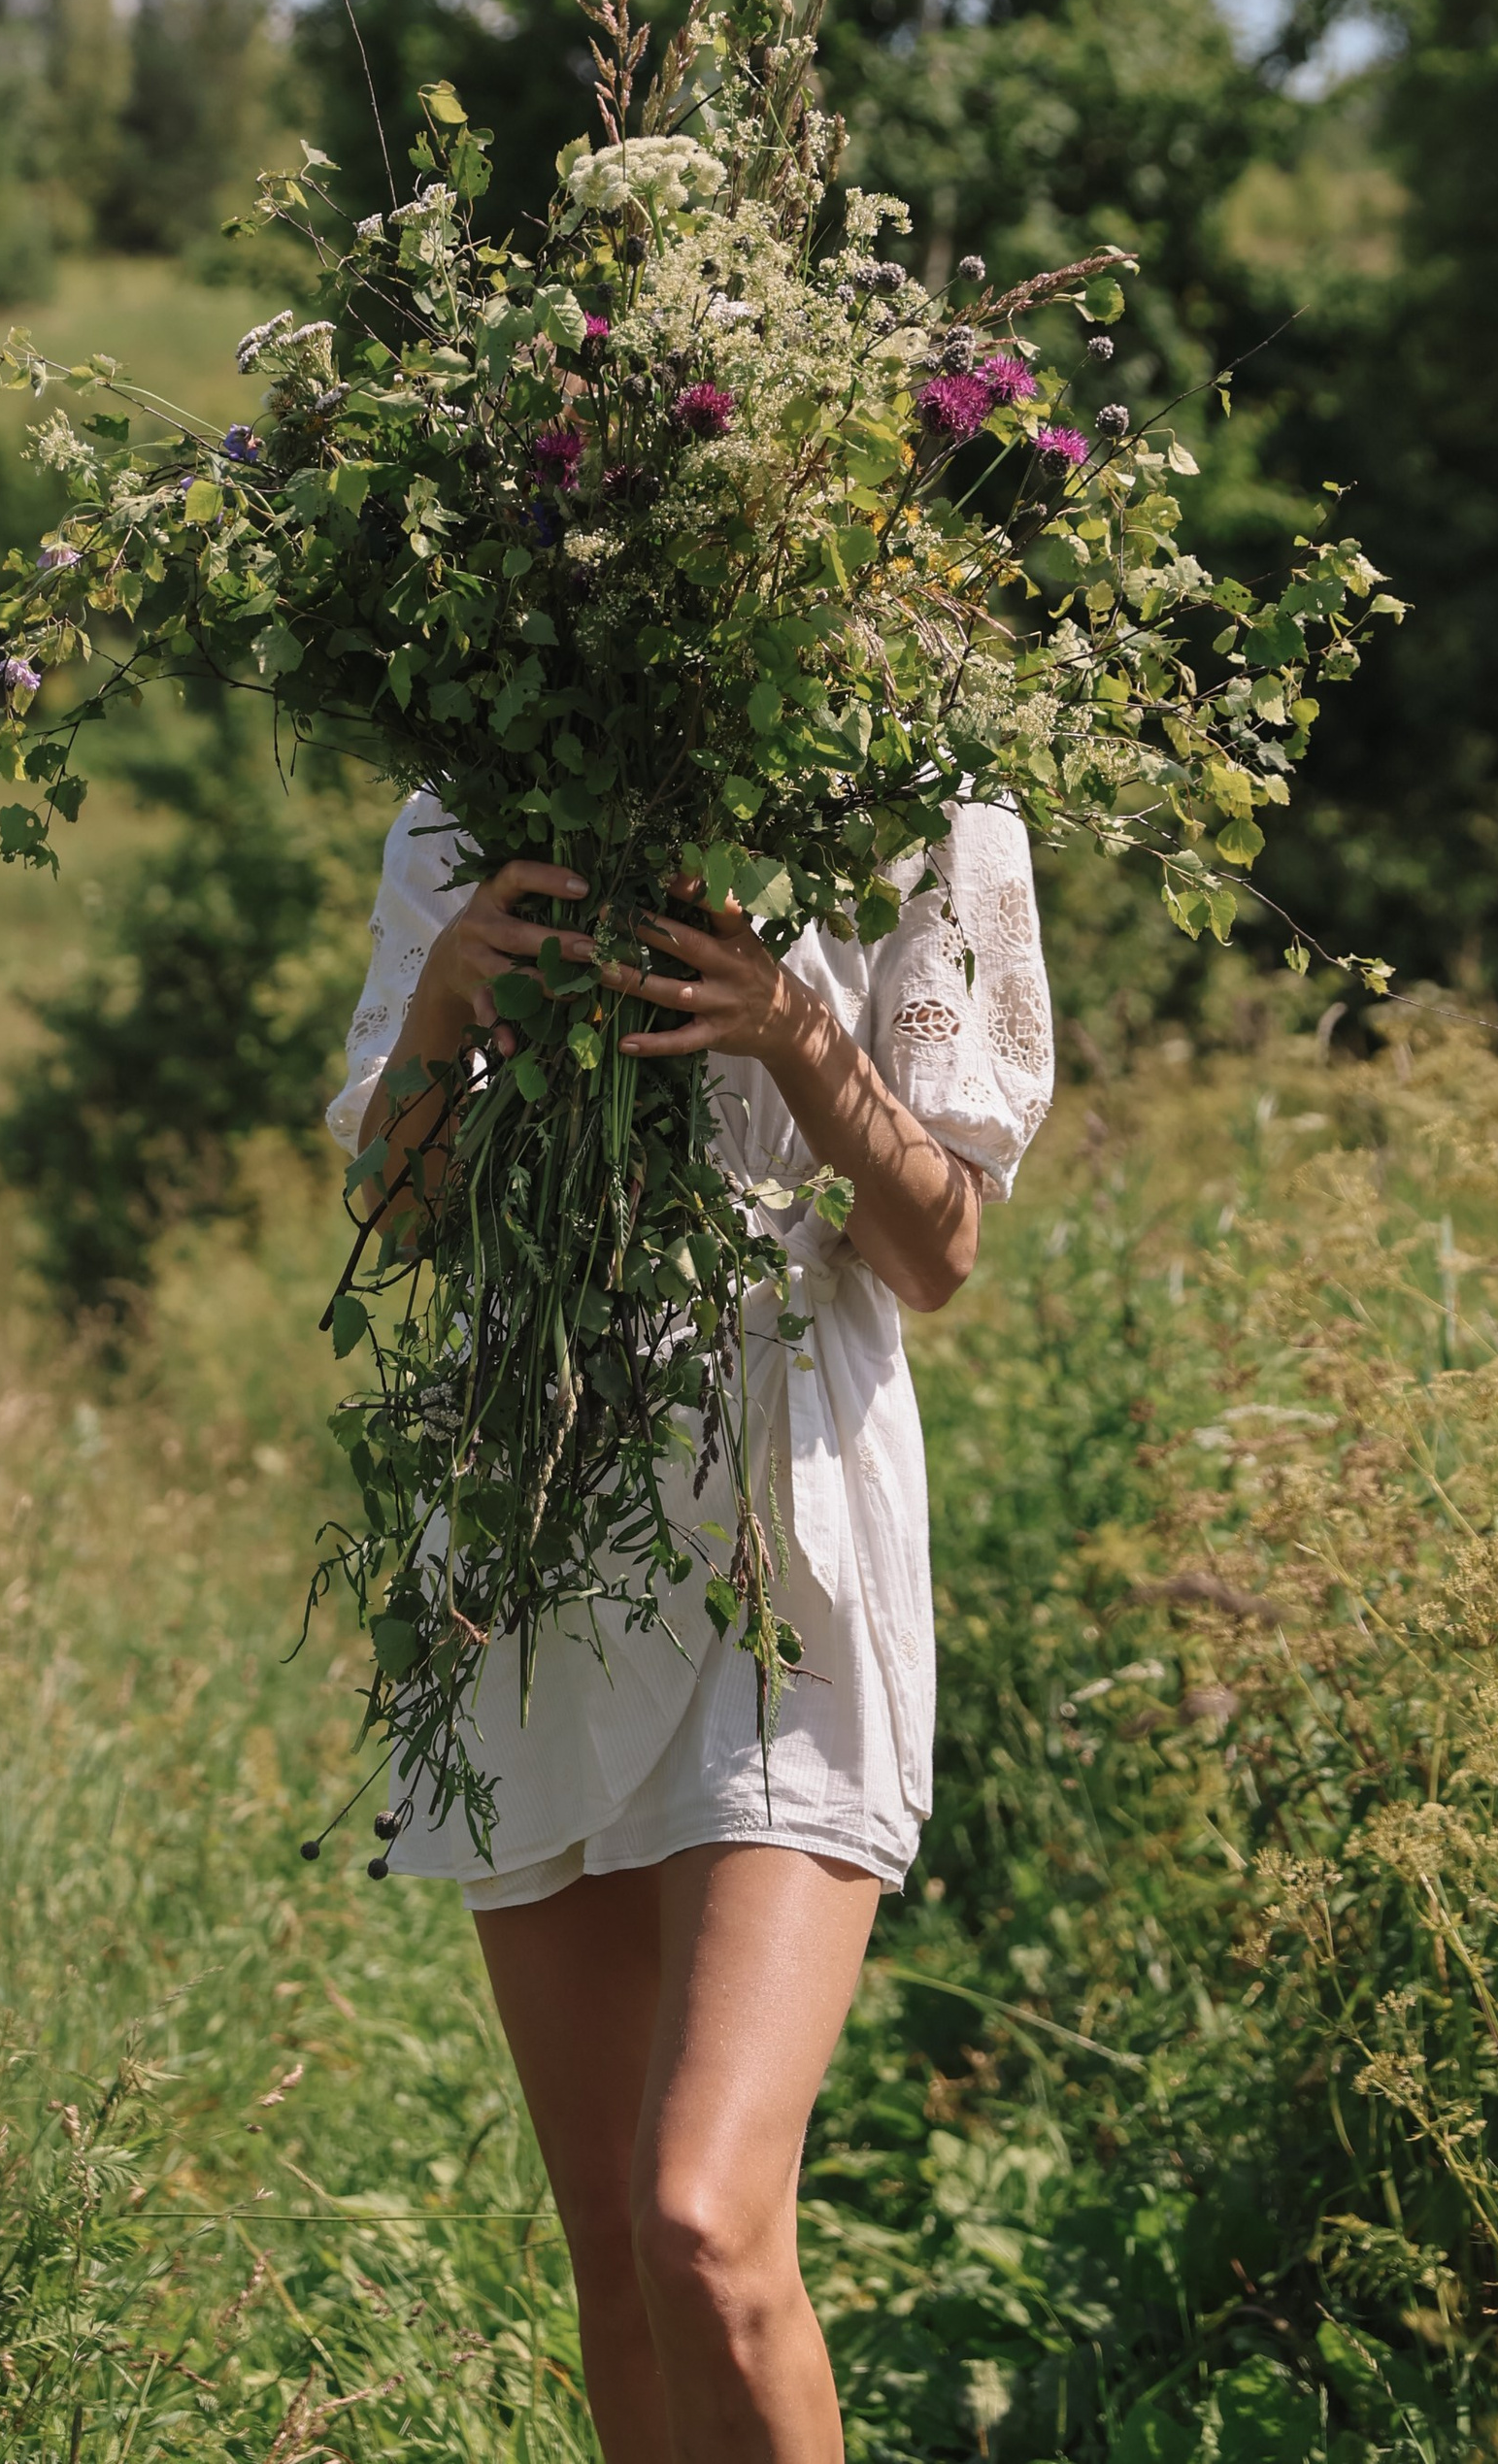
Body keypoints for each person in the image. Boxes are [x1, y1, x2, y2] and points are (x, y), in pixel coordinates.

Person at [326, 798, 1053, 2463]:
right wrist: (449, 987)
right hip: (542, 1516)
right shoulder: (472, 793)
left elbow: (934, 1248)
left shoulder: (920, 795)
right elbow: (399, 1219)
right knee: (617, 2261)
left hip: (780, 1527)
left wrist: (794, 1028)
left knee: (702, 2229)